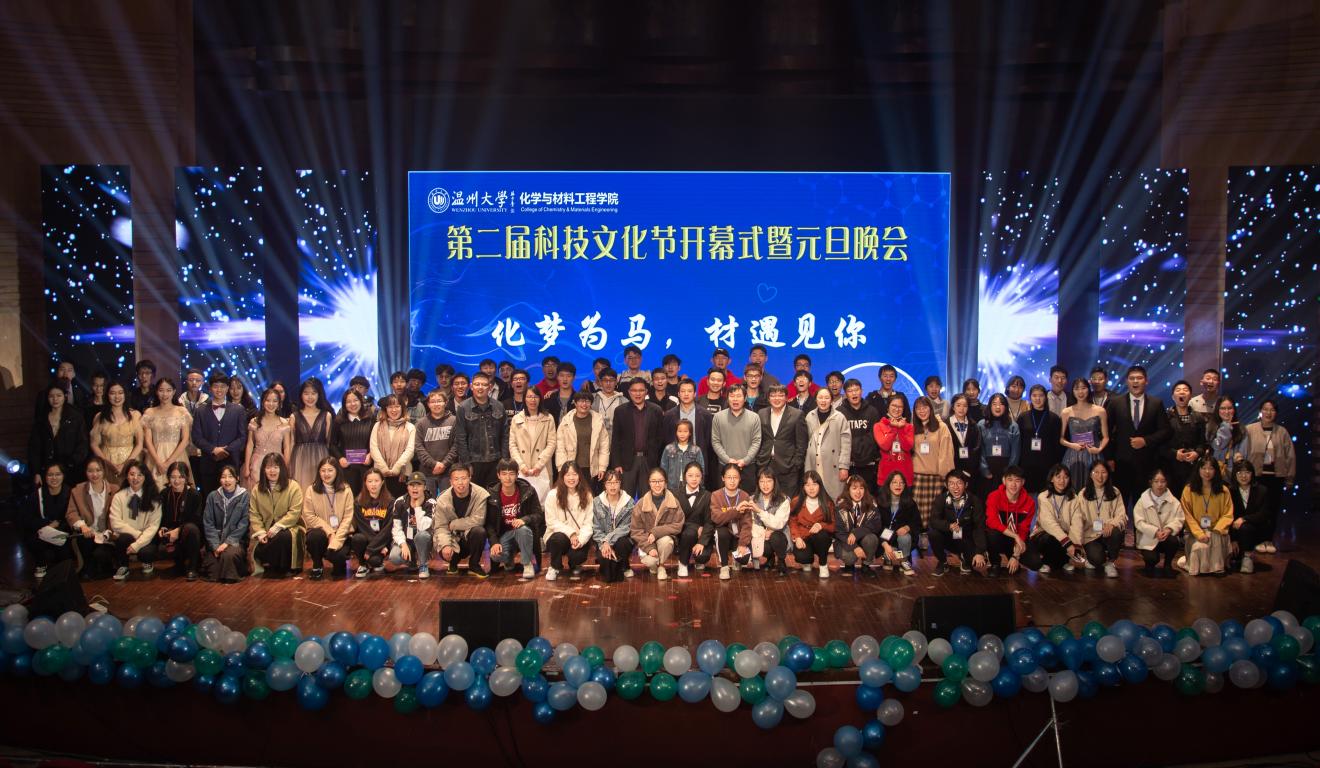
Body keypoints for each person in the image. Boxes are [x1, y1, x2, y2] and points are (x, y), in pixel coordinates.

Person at [1244, 398, 1293, 552]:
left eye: (1272, 410)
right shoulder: (1249, 429)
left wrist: (1290, 477)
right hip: (1256, 476)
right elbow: (1243, 452)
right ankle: (1257, 540)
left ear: (1276, 413)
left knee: (1272, 509)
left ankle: (1268, 540)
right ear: (1260, 411)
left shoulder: (1282, 432)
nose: (1268, 413)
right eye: (1265, 409)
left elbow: (1290, 456)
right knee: (1256, 509)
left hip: (1276, 477)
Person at [248, 453, 305, 577]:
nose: (272, 471)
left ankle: (283, 567)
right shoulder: (257, 489)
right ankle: (269, 562)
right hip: (266, 530)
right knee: (264, 543)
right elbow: (254, 514)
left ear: (282, 469)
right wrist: (260, 532)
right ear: (263, 470)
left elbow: (295, 512)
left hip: (290, 527)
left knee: (283, 537)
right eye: (268, 467)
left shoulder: (293, 486)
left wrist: (278, 526)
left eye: (275, 467)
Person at [485, 459, 543, 580]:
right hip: (504, 535)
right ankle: (508, 558)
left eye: (511, 473)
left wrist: (525, 519)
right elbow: (489, 523)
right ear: (498, 475)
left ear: (517, 475)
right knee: (496, 556)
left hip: (524, 534)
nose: (508, 478)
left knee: (523, 529)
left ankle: (527, 564)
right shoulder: (491, 495)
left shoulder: (528, 491)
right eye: (504, 474)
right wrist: (494, 542)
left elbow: (538, 515)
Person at [1024, 465, 1085, 575]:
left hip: (1065, 537)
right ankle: (1056, 561)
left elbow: (1077, 523)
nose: (1062, 481)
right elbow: (1049, 523)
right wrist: (1067, 543)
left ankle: (1061, 561)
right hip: (1044, 535)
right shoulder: (1043, 496)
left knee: (1068, 541)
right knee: (1051, 540)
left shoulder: (1074, 498)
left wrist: (1075, 546)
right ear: (1052, 479)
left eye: (1065, 477)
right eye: (1058, 477)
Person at [1069, 462, 1127, 578]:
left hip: (1108, 532)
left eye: (1103, 472)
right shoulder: (1083, 493)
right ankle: (1093, 558)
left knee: (1117, 532)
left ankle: (1110, 562)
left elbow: (1122, 515)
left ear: (1108, 474)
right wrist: (1077, 544)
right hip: (1090, 535)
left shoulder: (1115, 492)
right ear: (1091, 474)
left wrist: (1111, 524)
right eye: (1096, 472)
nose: (1100, 476)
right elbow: (1078, 519)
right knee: (1097, 560)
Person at [609, 379, 665, 496]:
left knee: (647, 498)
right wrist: (616, 463)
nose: (638, 394)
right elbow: (615, 440)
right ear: (629, 392)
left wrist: (658, 463)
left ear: (646, 392)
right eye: (634, 390)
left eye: (641, 390)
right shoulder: (620, 411)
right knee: (625, 498)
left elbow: (660, 439)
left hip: (649, 461)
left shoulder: (656, 410)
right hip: (627, 462)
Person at [108, 459, 162, 580]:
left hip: (147, 537)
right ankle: (123, 566)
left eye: (140, 475)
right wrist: (136, 534)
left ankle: (147, 562)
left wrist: (138, 544)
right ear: (127, 476)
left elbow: (153, 526)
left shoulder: (153, 497)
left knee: (146, 553)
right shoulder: (119, 496)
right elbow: (115, 523)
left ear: (145, 477)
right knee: (122, 538)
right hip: (128, 536)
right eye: (132, 474)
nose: (135, 478)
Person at [432, 463, 489, 578]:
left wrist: (454, 524)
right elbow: (440, 527)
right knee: (443, 545)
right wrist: (445, 545)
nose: (460, 482)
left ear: (470, 478)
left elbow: (479, 519)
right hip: (452, 539)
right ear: (451, 482)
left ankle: (474, 565)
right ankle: (453, 563)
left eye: (463, 478)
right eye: (456, 479)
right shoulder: (442, 500)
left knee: (479, 531)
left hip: (469, 538)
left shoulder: (481, 494)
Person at [927, 469, 988, 576]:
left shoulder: (974, 500)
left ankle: (965, 559)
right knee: (933, 534)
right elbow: (933, 521)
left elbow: (979, 526)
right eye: (951, 483)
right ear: (946, 485)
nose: (955, 487)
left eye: (959, 483)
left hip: (967, 538)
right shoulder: (941, 499)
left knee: (977, 562)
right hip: (948, 537)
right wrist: (948, 526)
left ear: (966, 485)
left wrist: (980, 551)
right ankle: (942, 561)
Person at [302, 457, 355, 579]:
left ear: (337, 471)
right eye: (323, 470)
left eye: (330, 470)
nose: (326, 474)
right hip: (322, 533)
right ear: (319, 472)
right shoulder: (311, 490)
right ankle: (317, 564)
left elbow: (348, 518)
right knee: (314, 537)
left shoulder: (346, 489)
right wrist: (329, 533)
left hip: (341, 534)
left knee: (338, 565)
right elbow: (309, 515)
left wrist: (336, 540)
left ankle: (338, 563)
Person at [453, 372, 509, 488]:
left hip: (496, 460)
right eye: (477, 384)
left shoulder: (499, 406)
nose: (480, 387)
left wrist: (504, 460)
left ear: (489, 387)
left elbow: (505, 435)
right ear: (471, 386)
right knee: (474, 494)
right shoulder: (463, 407)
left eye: (484, 385)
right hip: (473, 462)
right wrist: (466, 464)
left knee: (494, 494)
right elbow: (460, 438)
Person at [67, 457, 119, 579]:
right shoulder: (78, 490)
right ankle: (88, 569)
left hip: (108, 534)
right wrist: (83, 526)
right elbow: (71, 513)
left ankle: (102, 568)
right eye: (90, 471)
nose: (94, 474)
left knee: (101, 554)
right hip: (89, 533)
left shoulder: (115, 489)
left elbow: (120, 514)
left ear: (104, 471)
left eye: (98, 470)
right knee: (84, 542)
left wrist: (111, 532)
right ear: (85, 472)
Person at [1180, 457, 1232, 576]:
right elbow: (1186, 515)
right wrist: (1199, 533)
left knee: (1215, 537)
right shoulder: (1189, 489)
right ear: (1198, 470)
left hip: (1217, 530)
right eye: (1204, 468)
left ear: (1216, 471)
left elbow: (1228, 514)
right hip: (1195, 531)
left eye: (1211, 468)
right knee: (1199, 546)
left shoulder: (1224, 490)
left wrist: (1217, 529)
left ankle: (1217, 567)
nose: (1207, 472)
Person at [542, 461, 594, 580]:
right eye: (568, 475)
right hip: (559, 536)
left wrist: (580, 540)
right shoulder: (552, 495)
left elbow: (589, 523)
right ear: (562, 477)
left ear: (579, 476)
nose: (571, 478)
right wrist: (571, 533)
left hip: (579, 536)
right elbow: (551, 521)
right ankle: (555, 566)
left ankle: (574, 563)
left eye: (574, 474)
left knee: (578, 556)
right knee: (558, 539)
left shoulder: (587, 495)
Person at [29, 382, 88, 486]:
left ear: (65, 396)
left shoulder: (76, 417)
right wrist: (36, 472)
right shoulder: (41, 419)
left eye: (58, 395)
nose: (55, 399)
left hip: (71, 469)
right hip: (47, 469)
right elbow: (34, 448)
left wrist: (71, 462)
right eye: (51, 396)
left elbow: (82, 444)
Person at [911, 395, 954, 533]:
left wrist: (945, 476)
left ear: (931, 408)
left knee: (935, 513)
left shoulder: (942, 427)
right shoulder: (912, 428)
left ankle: (933, 538)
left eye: (924, 407)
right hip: (917, 477)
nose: (922, 411)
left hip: (936, 477)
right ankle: (919, 536)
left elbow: (946, 453)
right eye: (918, 408)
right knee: (917, 513)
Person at [24, 462, 74, 579]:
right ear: (45, 477)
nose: (54, 478)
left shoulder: (70, 493)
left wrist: (57, 525)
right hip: (42, 529)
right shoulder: (37, 495)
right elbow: (27, 518)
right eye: (50, 475)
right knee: (33, 538)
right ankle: (41, 563)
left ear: (63, 476)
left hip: (63, 530)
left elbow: (72, 515)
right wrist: (47, 524)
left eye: (58, 474)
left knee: (63, 545)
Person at [141, 378, 193, 489]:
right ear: (156, 391)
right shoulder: (149, 412)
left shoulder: (181, 411)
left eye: (168, 390)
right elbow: (148, 440)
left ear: (174, 392)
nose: (165, 394)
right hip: (154, 457)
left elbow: (185, 439)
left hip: (177, 455)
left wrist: (168, 463)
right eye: (161, 390)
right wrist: (158, 462)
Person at [201, 464, 249, 583]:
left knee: (228, 556)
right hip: (217, 540)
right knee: (214, 572)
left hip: (235, 540)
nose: (227, 480)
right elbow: (208, 523)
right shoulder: (213, 496)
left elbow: (243, 523)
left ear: (237, 478)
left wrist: (227, 542)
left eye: (230, 476)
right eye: (223, 477)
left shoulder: (244, 496)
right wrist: (215, 545)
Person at [704, 463, 753, 580]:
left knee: (744, 559)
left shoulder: (744, 496)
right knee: (721, 532)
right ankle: (724, 566)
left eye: (735, 477)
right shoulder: (716, 495)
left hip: (738, 536)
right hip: (724, 536)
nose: (732, 481)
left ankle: (737, 560)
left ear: (740, 479)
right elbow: (717, 518)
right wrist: (736, 511)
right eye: (729, 477)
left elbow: (747, 524)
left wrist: (742, 544)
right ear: (723, 478)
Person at [984, 466, 1035, 577]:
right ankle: (995, 564)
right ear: (1004, 480)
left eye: (1017, 480)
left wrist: (1016, 555)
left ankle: (1013, 560)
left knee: (1034, 562)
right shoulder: (994, 496)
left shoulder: (1029, 502)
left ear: (1023, 482)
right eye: (1010, 480)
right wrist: (1015, 536)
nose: (1013, 484)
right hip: (1000, 537)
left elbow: (1024, 529)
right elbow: (992, 522)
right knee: (992, 533)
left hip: (1015, 541)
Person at [157, 461, 204, 580]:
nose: (177, 481)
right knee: (160, 547)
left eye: (180, 477)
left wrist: (178, 530)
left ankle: (193, 567)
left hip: (188, 532)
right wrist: (162, 527)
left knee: (191, 529)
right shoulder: (164, 493)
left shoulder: (194, 494)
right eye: (173, 477)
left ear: (186, 477)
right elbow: (160, 516)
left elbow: (196, 520)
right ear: (168, 477)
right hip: (170, 532)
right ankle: (179, 564)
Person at [758, 384, 807, 498]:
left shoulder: (797, 414)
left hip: (788, 466)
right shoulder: (761, 413)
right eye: (773, 395)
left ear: (786, 398)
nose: (777, 398)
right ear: (768, 398)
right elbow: (759, 438)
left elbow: (802, 443)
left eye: (780, 395)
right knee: (767, 500)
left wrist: (796, 464)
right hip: (766, 463)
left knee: (787, 500)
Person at [1059, 378, 1108, 492]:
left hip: (1094, 454)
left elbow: (1106, 437)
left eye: (1083, 388)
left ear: (1088, 389)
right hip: (1073, 455)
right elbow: (1061, 439)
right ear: (1073, 391)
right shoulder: (1066, 412)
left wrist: (1099, 449)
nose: (1080, 392)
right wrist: (1072, 445)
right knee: (1072, 488)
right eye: (1077, 389)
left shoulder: (1100, 411)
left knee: (1095, 489)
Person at [711, 384, 762, 493]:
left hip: (748, 467)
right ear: (727, 398)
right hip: (725, 466)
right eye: (732, 396)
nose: (735, 399)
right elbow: (715, 441)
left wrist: (745, 460)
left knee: (748, 499)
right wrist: (728, 460)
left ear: (745, 398)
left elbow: (756, 441)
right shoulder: (718, 417)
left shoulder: (754, 417)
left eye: (738, 396)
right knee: (725, 500)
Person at [508, 387, 557, 501]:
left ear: (540, 399)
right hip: (522, 468)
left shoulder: (548, 418)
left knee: (543, 502)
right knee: (523, 501)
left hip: (542, 467)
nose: (532, 400)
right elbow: (512, 445)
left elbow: (552, 443)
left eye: (535, 396)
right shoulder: (516, 419)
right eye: (529, 397)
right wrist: (521, 465)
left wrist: (539, 465)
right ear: (524, 399)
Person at [664, 378, 715, 486]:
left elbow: (708, 442)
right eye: (683, 391)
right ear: (678, 394)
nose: (686, 394)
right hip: (675, 462)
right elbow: (666, 440)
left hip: (697, 460)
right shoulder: (669, 415)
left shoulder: (705, 415)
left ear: (695, 394)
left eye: (689, 391)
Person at [1133, 467, 1183, 578]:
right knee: (1152, 558)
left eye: (1163, 481)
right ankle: (1149, 565)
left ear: (1167, 483)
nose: (1159, 485)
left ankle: (1167, 564)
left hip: (1166, 536)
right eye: (1156, 481)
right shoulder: (1142, 501)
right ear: (1151, 482)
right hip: (1149, 537)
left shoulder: (1174, 501)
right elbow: (1139, 522)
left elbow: (1179, 519)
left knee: (1173, 541)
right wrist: (1155, 531)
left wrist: (1169, 529)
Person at [555, 390, 610, 491]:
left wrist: (602, 467)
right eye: (581, 401)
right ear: (575, 403)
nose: (584, 404)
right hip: (572, 467)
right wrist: (562, 468)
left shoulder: (598, 420)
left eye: (587, 401)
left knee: (590, 496)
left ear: (591, 403)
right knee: (572, 496)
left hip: (592, 468)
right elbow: (560, 447)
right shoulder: (566, 421)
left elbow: (604, 446)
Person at [90, 382, 142, 486]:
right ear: (107, 395)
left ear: (125, 394)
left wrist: (126, 464)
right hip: (107, 462)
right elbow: (94, 444)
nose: (117, 397)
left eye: (120, 393)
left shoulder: (135, 415)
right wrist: (107, 463)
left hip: (131, 461)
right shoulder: (100, 417)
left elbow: (139, 444)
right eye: (112, 393)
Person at [803, 387, 851, 501]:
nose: (823, 401)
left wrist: (844, 466)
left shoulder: (839, 417)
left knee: (834, 498)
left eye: (826, 398)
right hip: (813, 463)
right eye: (820, 397)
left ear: (831, 400)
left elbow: (846, 443)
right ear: (816, 399)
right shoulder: (810, 416)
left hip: (833, 465)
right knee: (814, 496)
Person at [1162, 380, 1206, 497]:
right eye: (1178, 390)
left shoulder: (1198, 417)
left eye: (1185, 390)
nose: (1182, 392)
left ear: (1190, 396)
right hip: (1171, 468)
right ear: (1173, 397)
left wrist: (1197, 453)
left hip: (1193, 468)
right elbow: (1160, 444)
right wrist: (1174, 454)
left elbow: (1203, 443)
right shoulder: (1165, 417)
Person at [387, 471, 436, 578]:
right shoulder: (400, 502)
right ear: (407, 487)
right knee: (395, 557)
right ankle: (412, 561)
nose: (415, 488)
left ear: (424, 487)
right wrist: (403, 544)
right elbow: (396, 528)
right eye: (411, 485)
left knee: (421, 535)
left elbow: (423, 527)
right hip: (407, 540)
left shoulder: (431, 503)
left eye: (418, 485)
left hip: (425, 542)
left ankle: (423, 565)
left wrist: (417, 507)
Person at [788, 470, 835, 578]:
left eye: (814, 484)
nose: (811, 488)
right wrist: (797, 537)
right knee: (802, 557)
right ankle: (807, 561)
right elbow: (792, 521)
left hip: (820, 538)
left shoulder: (827, 502)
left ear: (820, 486)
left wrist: (821, 525)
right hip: (803, 536)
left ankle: (823, 564)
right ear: (803, 487)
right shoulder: (796, 501)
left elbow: (833, 524)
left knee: (821, 535)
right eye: (807, 485)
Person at [838, 379, 881, 496]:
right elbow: (838, 440)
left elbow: (874, 438)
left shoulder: (872, 411)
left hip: (868, 465)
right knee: (847, 497)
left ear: (861, 391)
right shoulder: (839, 413)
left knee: (867, 497)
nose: (854, 393)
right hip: (848, 465)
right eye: (850, 391)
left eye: (856, 390)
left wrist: (856, 445)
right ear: (845, 394)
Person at [1018, 384, 1063, 494]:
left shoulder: (1054, 418)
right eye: (1034, 395)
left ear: (1045, 397)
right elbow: (1019, 443)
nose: (1037, 399)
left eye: (1041, 395)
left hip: (1047, 464)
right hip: (1027, 464)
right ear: (1030, 397)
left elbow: (1057, 445)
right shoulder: (1023, 417)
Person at [290, 379, 334, 492]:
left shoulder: (326, 415)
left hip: (321, 458)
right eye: (306, 393)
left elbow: (329, 443)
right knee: (301, 491)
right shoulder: (294, 417)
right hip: (300, 459)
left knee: (321, 491)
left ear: (319, 395)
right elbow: (291, 443)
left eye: (313, 393)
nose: (310, 397)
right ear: (301, 395)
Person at [244, 388, 292, 490]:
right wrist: (247, 467)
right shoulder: (255, 421)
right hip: (257, 464)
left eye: (275, 401)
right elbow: (250, 445)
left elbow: (287, 447)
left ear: (279, 404)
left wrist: (286, 467)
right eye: (268, 400)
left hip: (277, 464)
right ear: (263, 402)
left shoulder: (284, 423)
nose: (271, 404)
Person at [592, 470, 635, 583]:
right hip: (603, 542)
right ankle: (607, 565)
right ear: (605, 484)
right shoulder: (597, 502)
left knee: (623, 544)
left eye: (616, 482)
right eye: (609, 483)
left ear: (620, 484)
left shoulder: (629, 502)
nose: (613, 486)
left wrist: (608, 541)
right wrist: (604, 543)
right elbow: (596, 528)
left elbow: (626, 527)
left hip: (621, 540)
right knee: (608, 578)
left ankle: (625, 565)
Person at [833, 474, 881, 577]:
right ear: (848, 490)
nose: (858, 492)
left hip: (863, 539)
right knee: (849, 557)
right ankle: (849, 565)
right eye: (854, 488)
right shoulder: (840, 506)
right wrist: (855, 547)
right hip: (845, 541)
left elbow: (876, 525)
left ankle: (866, 565)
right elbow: (839, 532)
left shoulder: (871, 504)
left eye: (861, 488)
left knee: (871, 539)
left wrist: (856, 533)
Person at [370, 394, 416, 498]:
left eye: (397, 406)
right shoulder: (377, 426)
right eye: (390, 407)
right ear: (385, 409)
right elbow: (373, 448)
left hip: (402, 474)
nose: (394, 410)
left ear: (402, 408)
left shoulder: (410, 427)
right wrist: (384, 468)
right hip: (380, 474)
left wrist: (397, 467)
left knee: (400, 504)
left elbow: (410, 450)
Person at [1228, 462, 1271, 574]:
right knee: (1232, 559)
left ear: (1252, 474)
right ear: (1235, 474)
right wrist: (1232, 540)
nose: (1243, 476)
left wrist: (1244, 519)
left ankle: (1247, 556)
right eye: (1240, 473)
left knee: (1246, 527)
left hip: (1256, 528)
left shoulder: (1262, 490)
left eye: (1247, 472)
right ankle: (1239, 555)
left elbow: (1264, 514)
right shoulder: (1229, 491)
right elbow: (1227, 516)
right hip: (1234, 530)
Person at [330, 388, 375, 496]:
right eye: (349, 401)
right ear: (344, 404)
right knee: (348, 497)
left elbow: (376, 443)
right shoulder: (339, 422)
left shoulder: (370, 420)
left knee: (367, 497)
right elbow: (332, 444)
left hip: (366, 467)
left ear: (361, 401)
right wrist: (340, 458)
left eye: (355, 400)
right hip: (347, 468)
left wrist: (370, 455)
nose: (353, 404)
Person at [413, 389, 457, 497]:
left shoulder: (454, 421)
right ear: (428, 404)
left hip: (448, 471)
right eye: (433, 402)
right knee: (428, 502)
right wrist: (434, 464)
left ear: (445, 402)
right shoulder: (421, 423)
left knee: (447, 502)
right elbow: (418, 447)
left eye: (439, 401)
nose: (436, 404)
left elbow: (457, 445)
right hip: (427, 472)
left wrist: (444, 464)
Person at [747, 468, 791, 575]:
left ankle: (781, 560)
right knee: (758, 541)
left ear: (774, 482)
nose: (765, 485)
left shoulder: (783, 499)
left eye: (769, 481)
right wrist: (763, 532)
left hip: (779, 535)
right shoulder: (752, 499)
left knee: (776, 537)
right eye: (762, 481)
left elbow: (779, 523)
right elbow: (750, 522)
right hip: (759, 535)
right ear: (758, 483)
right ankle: (770, 558)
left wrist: (759, 511)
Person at [351, 468, 393, 578]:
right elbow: (363, 528)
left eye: (376, 481)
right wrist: (371, 548)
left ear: (382, 482)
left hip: (383, 542)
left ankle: (376, 560)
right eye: (370, 481)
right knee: (357, 538)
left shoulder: (390, 501)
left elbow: (387, 529)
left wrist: (375, 548)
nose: (373, 484)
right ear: (365, 483)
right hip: (367, 540)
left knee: (375, 561)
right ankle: (363, 564)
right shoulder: (358, 502)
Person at [978, 393, 1020, 495]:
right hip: (987, 467)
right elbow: (979, 449)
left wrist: (1009, 473)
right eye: (994, 404)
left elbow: (1016, 451)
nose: (998, 407)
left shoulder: (1013, 426)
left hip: (1006, 467)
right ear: (989, 406)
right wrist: (984, 469)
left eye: (1001, 404)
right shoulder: (981, 424)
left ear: (1005, 407)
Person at [674, 462, 710, 577]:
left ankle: (698, 559)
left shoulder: (707, 495)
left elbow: (709, 522)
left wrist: (702, 542)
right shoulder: (676, 494)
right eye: (690, 475)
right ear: (685, 476)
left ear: (701, 477)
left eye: (697, 475)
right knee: (689, 533)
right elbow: (674, 520)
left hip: (700, 535)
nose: (694, 479)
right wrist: (695, 527)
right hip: (682, 534)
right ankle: (683, 563)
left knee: (703, 557)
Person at [874, 395, 915, 489]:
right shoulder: (879, 426)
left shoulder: (909, 427)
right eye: (894, 406)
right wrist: (893, 428)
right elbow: (885, 446)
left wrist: (900, 428)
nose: (897, 409)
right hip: (885, 475)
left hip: (905, 475)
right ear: (888, 407)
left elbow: (908, 447)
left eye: (900, 407)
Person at [1206, 395, 1247, 477]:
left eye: (1230, 408)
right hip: (1213, 470)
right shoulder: (1210, 427)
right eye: (1223, 408)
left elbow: (1243, 453)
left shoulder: (1241, 428)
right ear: (1217, 410)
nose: (1226, 412)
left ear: (1234, 410)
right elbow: (1218, 445)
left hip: (1234, 471)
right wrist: (1226, 426)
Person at [946, 394, 982, 482]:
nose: (961, 409)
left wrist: (969, 469)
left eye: (965, 406)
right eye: (958, 405)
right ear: (953, 407)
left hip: (970, 471)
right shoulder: (945, 425)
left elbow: (977, 448)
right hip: (951, 469)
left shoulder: (973, 425)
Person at [660, 419, 704, 491]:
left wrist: (700, 485)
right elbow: (663, 468)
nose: (682, 434)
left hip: (690, 486)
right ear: (676, 432)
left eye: (685, 431)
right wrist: (664, 484)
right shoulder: (668, 448)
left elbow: (701, 469)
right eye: (679, 431)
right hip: (672, 486)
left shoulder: (696, 450)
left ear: (690, 433)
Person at [591, 368, 625, 432]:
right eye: (605, 380)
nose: (608, 383)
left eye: (611, 380)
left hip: (616, 436)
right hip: (596, 435)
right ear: (600, 382)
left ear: (616, 382)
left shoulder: (624, 401)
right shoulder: (592, 399)